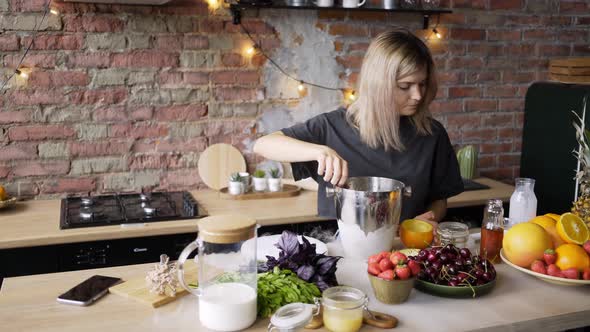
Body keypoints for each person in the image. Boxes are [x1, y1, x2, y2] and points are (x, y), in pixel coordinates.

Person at [253, 27, 464, 229]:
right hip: (343, 252)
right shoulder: (332, 127)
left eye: (423, 84)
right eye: (405, 86)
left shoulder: (431, 134)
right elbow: (263, 144)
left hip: (405, 253)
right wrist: (320, 151)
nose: (417, 95)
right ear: (378, 85)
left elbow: (439, 200)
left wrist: (431, 217)